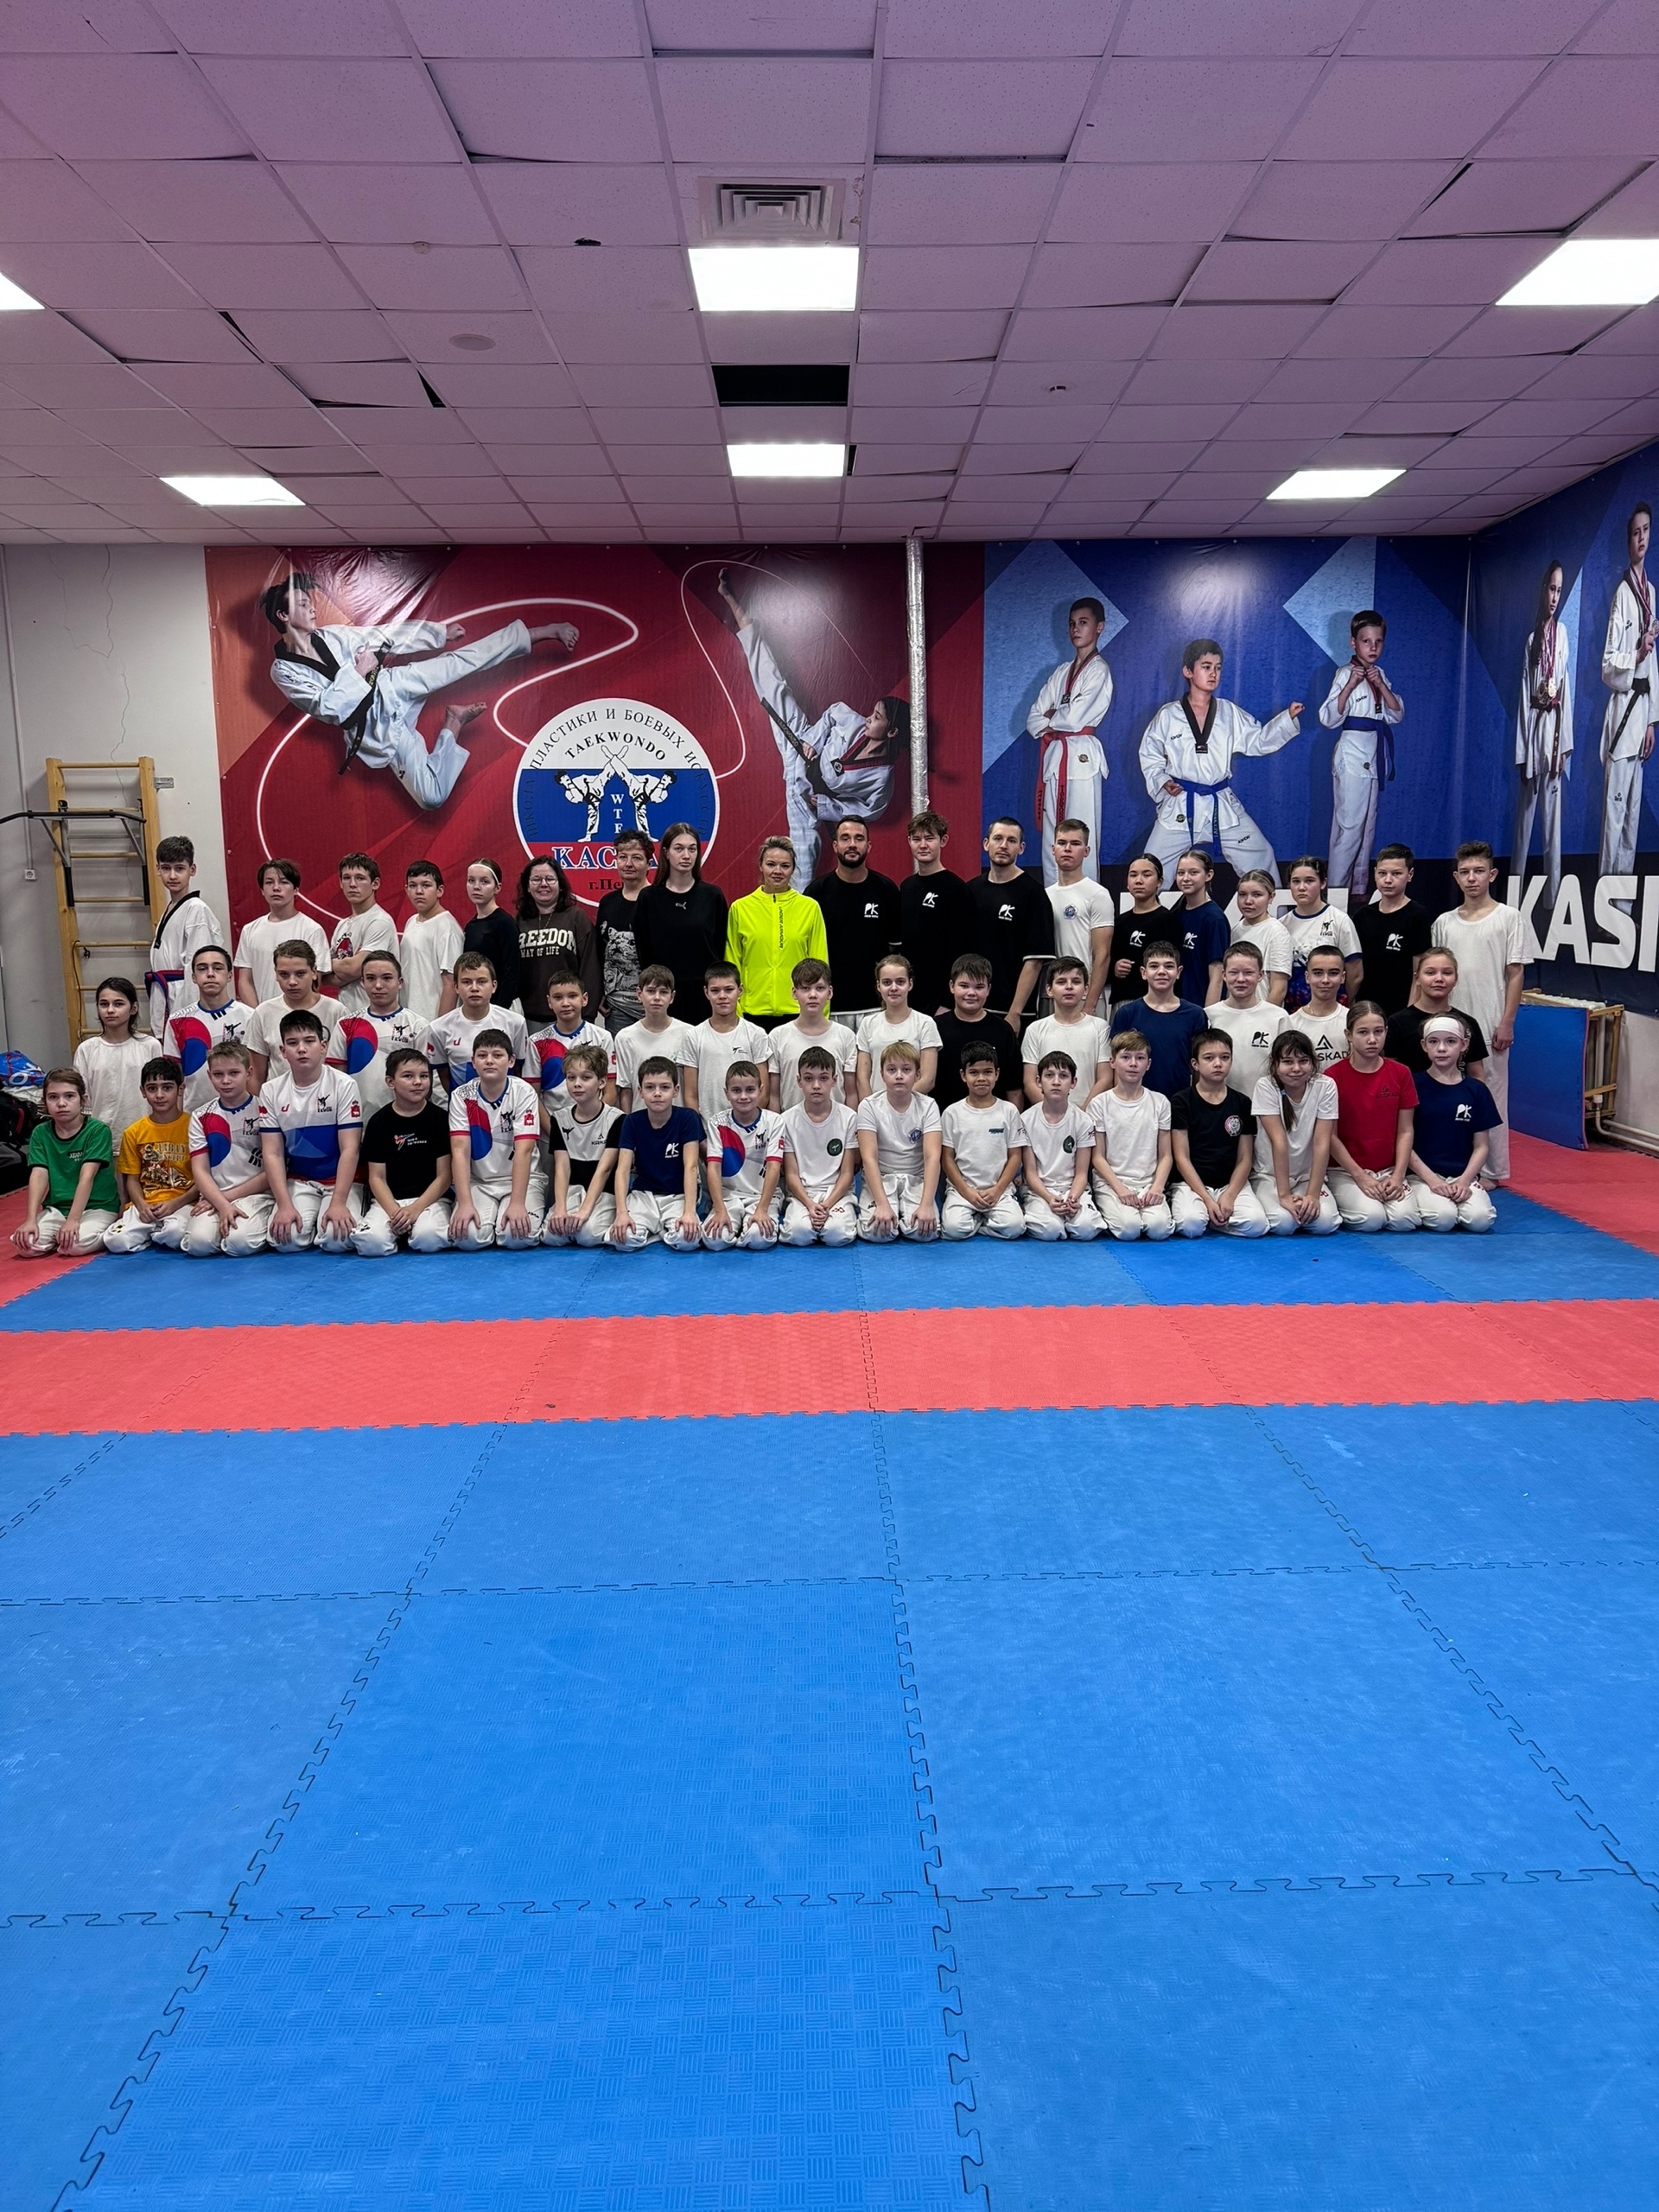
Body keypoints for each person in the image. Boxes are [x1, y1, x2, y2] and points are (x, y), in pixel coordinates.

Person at [262, 569, 578, 810]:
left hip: (391, 686)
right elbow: (328, 709)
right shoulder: (284, 671)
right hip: (377, 728)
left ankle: (543, 632)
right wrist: (359, 670)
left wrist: (438, 634)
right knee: (431, 797)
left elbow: (384, 635)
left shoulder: (332, 636)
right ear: (283, 616)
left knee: (459, 663)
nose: (313, 609)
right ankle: (454, 723)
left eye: (311, 602)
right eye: (303, 605)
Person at [718, 570, 905, 887]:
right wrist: (813, 743)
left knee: (803, 870)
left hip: (808, 798)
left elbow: (870, 811)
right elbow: (834, 711)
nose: (868, 719)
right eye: (871, 713)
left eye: (876, 718)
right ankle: (738, 610)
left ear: (892, 733)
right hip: (799, 744)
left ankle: (795, 916)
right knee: (772, 685)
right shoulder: (853, 721)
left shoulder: (881, 778)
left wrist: (827, 806)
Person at [1139, 639, 1302, 877]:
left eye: (1218, 667)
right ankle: (1148, 903)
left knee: (1261, 855)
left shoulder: (1229, 712)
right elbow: (1149, 753)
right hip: (1181, 804)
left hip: (1221, 804)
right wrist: (1163, 781)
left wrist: (1286, 719)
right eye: (1206, 667)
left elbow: (1258, 740)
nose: (1213, 673)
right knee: (1150, 869)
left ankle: (1270, 903)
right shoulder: (1169, 715)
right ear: (1188, 671)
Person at [1430, 840, 1535, 1185]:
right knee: (1447, 1095)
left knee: (1490, 1097)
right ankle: (1452, 1163)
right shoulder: (1444, 922)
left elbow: (1515, 973)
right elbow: (1435, 973)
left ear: (1492, 874)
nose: (1472, 878)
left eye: (1478, 871)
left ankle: (1493, 1170)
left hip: (1489, 1022)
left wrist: (1507, 1022)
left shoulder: (1508, 918)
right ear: (1456, 877)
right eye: (1465, 872)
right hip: (1449, 1023)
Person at [258, 1008, 364, 1253]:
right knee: (286, 1241)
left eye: (309, 1041)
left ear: (323, 1046)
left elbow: (350, 1149)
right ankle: (311, 1221)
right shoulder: (270, 1090)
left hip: (340, 1180)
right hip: (300, 1180)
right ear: (283, 1051)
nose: (302, 1049)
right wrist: (284, 1205)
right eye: (293, 1043)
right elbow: (272, 1153)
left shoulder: (344, 1085)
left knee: (337, 1240)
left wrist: (338, 1203)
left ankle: (328, 1217)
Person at [1027, 596, 1115, 887]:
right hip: (1055, 759)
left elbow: (1075, 718)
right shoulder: (1061, 672)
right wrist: (1057, 718)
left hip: (1082, 759)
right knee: (1053, 839)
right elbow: (1033, 719)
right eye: (1072, 624)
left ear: (1099, 627)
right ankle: (1052, 899)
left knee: (1081, 836)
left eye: (1083, 622)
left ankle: (1087, 903)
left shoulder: (1099, 670)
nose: (1076, 629)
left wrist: (1053, 716)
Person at [1319, 609, 1404, 899]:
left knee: (1367, 827)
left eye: (1378, 642)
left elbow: (1396, 715)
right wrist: (1350, 686)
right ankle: (1336, 893)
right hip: (1352, 756)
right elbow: (1328, 717)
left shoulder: (1380, 675)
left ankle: (1357, 890)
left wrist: (1380, 685)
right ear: (1353, 643)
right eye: (1366, 641)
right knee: (1349, 826)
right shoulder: (1345, 673)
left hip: (1374, 754)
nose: (1373, 647)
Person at [1598, 502, 1656, 880]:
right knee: (1615, 815)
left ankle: (1623, 903)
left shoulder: (1650, 591)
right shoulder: (1623, 593)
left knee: (1633, 816)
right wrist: (1637, 653)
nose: (1641, 538)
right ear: (1628, 540)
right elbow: (1607, 665)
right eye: (1636, 532)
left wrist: (1653, 721)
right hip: (1623, 712)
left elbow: (1654, 666)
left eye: (1646, 530)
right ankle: (1605, 896)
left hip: (1642, 714)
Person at [445, 1028, 544, 1249]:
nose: (489, 1061)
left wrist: (517, 1203)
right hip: (480, 1182)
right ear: (473, 1062)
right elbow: (460, 1151)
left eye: (497, 1055)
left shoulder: (524, 1092)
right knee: (467, 1239)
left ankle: (500, 1222)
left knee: (516, 1237)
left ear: (511, 1061)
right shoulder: (461, 1096)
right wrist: (464, 1203)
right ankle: (489, 1223)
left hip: (523, 1180)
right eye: (482, 1055)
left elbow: (524, 1150)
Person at [353, 1046, 454, 1255]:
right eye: (408, 1076)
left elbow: (444, 1176)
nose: (418, 1082)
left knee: (428, 1238)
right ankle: (400, 1231)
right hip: (389, 1200)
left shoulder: (440, 1119)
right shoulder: (378, 1122)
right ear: (391, 1082)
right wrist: (395, 1213)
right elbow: (377, 1177)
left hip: (430, 1200)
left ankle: (413, 1230)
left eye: (424, 1076)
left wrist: (415, 1209)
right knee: (371, 1243)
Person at [1327, 1002, 1419, 1231]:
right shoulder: (1332, 1077)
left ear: (1386, 1032)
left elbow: (1405, 1130)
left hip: (1388, 1168)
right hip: (1345, 1171)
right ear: (1348, 1035)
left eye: (1378, 1032)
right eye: (1363, 1032)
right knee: (1371, 1219)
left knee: (1405, 1220)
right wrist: (1360, 1177)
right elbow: (1329, 1136)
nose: (1372, 1040)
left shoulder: (1401, 1073)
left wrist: (1398, 1175)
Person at [1169, 1030, 1268, 1238]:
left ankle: (1214, 1219)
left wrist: (1230, 1194)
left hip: (1229, 1183)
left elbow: (1245, 1158)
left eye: (1224, 1057)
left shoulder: (1242, 1103)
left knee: (1257, 1225)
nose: (1218, 1064)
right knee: (1191, 1224)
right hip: (1192, 1184)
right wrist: (1207, 1199)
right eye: (1209, 1058)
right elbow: (1181, 1158)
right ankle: (1209, 1214)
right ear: (1195, 1064)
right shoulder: (1181, 1101)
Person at [1513, 562, 1573, 902]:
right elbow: (1525, 697)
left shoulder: (1562, 634)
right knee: (1524, 822)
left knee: (1553, 825)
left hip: (1554, 733)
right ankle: (1514, 892)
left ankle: (1554, 898)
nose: (1555, 597)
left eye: (1560, 590)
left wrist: (1564, 747)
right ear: (1542, 591)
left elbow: (1566, 692)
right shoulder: (1532, 640)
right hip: (1534, 727)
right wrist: (1523, 753)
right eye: (1551, 589)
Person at [11, 1067, 118, 1257]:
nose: (61, 1103)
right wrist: (31, 1219)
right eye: (53, 1097)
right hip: (59, 1209)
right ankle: (58, 1235)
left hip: (98, 1207)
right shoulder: (41, 1133)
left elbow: (87, 1176)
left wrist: (73, 1220)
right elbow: (39, 1174)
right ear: (45, 1102)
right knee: (26, 1245)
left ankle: (110, 1231)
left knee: (73, 1245)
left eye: (69, 1096)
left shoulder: (97, 1131)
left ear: (83, 1100)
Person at [1408, 1016, 1500, 1233]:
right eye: (1434, 1042)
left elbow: (1481, 1145)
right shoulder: (1412, 1085)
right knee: (1443, 1219)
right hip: (1421, 1176)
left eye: (1450, 1041)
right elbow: (1402, 1140)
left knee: (1480, 1221)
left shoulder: (1476, 1090)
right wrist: (1432, 1180)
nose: (1442, 1049)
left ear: (1464, 1045)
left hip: (1462, 1174)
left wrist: (1465, 1181)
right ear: (1424, 1045)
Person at [181, 1039, 272, 1257]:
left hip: (256, 1195)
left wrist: (227, 1199)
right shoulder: (201, 1116)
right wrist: (221, 1204)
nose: (226, 1081)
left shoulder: (265, 1110)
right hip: (215, 1196)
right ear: (209, 1076)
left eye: (234, 1073)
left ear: (249, 1073)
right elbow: (200, 1170)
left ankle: (260, 1224)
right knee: (198, 1244)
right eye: (218, 1074)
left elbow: (274, 1168)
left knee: (239, 1243)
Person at [725, 837, 830, 1027]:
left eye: (785, 866)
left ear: (793, 868)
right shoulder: (740, 909)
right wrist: (736, 1011)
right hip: (751, 1013)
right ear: (761, 866)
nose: (778, 871)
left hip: (799, 1012)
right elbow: (732, 964)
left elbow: (820, 964)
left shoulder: (810, 908)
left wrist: (820, 1015)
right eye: (771, 864)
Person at [808, 816, 900, 1026]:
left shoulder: (886, 890)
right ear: (835, 845)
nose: (852, 844)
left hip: (876, 1007)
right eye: (845, 838)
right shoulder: (816, 893)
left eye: (859, 839)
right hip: (830, 1007)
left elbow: (895, 951)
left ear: (868, 846)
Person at [969, 817, 1056, 1029]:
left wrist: (1015, 1012)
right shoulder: (971, 890)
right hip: (971, 1007)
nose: (1003, 845)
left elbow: (1034, 961)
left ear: (1021, 848)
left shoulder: (1033, 894)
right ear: (986, 844)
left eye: (1011, 840)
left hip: (1013, 1012)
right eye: (998, 838)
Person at [634, 823, 729, 1019]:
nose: (686, 855)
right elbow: (644, 952)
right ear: (666, 853)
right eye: (679, 849)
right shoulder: (649, 898)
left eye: (692, 849)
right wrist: (656, 989)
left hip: (704, 993)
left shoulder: (712, 896)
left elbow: (719, 947)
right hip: (664, 992)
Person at [1250, 1029, 1339, 1236]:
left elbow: (1322, 1142)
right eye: (1288, 1062)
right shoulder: (1266, 1086)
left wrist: (1313, 1195)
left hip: (1307, 1176)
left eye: (1303, 1061)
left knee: (1325, 1223)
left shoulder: (1325, 1086)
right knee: (1285, 1224)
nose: (1296, 1068)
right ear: (1275, 1064)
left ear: (1313, 1062)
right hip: (1270, 1176)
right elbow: (1279, 1141)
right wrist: (1284, 1196)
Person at [611, 1057, 704, 1252]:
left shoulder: (688, 1118)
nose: (657, 1093)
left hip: (678, 1194)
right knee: (623, 1240)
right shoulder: (631, 1122)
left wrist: (689, 1212)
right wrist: (621, 1213)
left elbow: (691, 1167)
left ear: (676, 1091)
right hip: (643, 1195)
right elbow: (622, 1170)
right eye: (650, 1087)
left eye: (664, 1087)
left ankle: (658, 1230)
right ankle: (660, 1231)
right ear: (640, 1092)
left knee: (688, 1240)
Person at [1088, 1030, 1174, 1241]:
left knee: (1159, 1229)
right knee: (1129, 1229)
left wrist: (1157, 1187)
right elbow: (1097, 1157)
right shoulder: (1100, 1104)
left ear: (1148, 1064)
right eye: (1126, 1057)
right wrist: (1120, 1190)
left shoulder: (1160, 1102)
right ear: (1112, 1062)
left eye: (1140, 1058)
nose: (1133, 1064)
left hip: (1148, 1182)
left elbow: (1166, 1155)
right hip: (1112, 1183)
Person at [103, 1055, 194, 1252]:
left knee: (176, 1233)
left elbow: (203, 1179)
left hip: (182, 1204)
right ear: (143, 1092)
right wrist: (141, 1205)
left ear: (180, 1089)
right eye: (152, 1088)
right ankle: (152, 1232)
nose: (159, 1095)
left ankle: (155, 1232)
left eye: (167, 1087)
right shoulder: (133, 1132)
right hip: (146, 1204)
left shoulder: (194, 1127)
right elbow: (132, 1180)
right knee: (114, 1241)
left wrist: (176, 1203)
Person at [855, 1039, 942, 1242]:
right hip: (882, 1177)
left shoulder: (928, 1106)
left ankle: (909, 1210)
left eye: (906, 1070)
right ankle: (891, 1208)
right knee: (878, 1232)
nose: (899, 1076)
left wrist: (926, 1204)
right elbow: (869, 1158)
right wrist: (882, 1204)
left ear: (917, 1075)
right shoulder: (869, 1106)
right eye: (892, 1070)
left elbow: (932, 1157)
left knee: (924, 1232)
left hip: (916, 1178)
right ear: (882, 1075)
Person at [939, 1043, 1027, 1240]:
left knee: (1015, 1227)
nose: (981, 1078)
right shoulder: (952, 1113)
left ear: (997, 1074)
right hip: (962, 1190)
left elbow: (1015, 1156)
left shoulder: (1009, 1111)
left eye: (987, 1072)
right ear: (963, 1075)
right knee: (953, 1229)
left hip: (998, 1189)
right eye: (974, 1072)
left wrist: (998, 1190)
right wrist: (966, 1191)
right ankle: (979, 1218)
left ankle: (981, 1224)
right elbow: (947, 1159)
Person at [778, 1046, 860, 1247]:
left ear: (835, 1080)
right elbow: (791, 1174)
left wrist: (827, 1204)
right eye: (809, 1078)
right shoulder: (786, 1120)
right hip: (802, 1193)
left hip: (837, 1193)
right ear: (799, 1081)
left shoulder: (848, 1118)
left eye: (823, 1078)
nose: (816, 1085)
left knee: (837, 1234)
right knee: (798, 1234)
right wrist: (809, 1204)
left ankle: (832, 1215)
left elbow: (847, 1173)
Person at [542, 1044, 622, 1249]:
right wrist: (560, 1208)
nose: (577, 1084)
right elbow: (562, 1167)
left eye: (586, 1078)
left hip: (604, 1192)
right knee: (552, 1236)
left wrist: (585, 1211)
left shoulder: (616, 1119)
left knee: (587, 1235)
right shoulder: (559, 1119)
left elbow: (604, 1170)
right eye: (571, 1078)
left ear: (602, 1082)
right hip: (573, 1190)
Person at [334, 950, 429, 1117]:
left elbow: (426, 1080)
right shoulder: (345, 1025)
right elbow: (338, 1080)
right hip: (357, 1119)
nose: (378, 985)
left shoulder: (418, 1026)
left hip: (406, 1119)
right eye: (371, 978)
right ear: (362, 982)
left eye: (387, 978)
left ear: (400, 982)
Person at [1019, 1051, 1103, 1241]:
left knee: (1086, 1230)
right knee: (1050, 1230)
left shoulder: (1083, 1121)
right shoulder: (1026, 1120)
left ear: (1073, 1082)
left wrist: (1073, 1198)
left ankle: (1071, 1213)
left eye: (1063, 1076)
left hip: (1073, 1189)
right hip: (1040, 1191)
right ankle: (1047, 1215)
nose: (1056, 1082)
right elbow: (1030, 1173)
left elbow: (1081, 1173)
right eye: (1049, 1076)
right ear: (1039, 1081)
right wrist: (1049, 1198)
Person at [899, 810, 975, 1017]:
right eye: (917, 839)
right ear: (909, 842)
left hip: (942, 1003)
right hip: (908, 998)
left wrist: (947, 1001)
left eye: (929, 838)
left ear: (943, 841)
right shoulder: (907, 887)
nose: (923, 845)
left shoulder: (957, 890)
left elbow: (963, 951)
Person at [702, 1061, 785, 1251]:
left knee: (759, 1238)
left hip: (762, 1196)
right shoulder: (717, 1123)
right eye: (736, 1091)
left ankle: (745, 1230)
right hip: (729, 1195)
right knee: (714, 1240)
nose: (744, 1096)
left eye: (750, 1090)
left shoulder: (774, 1121)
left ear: (761, 1090)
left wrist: (762, 1209)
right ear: (726, 1093)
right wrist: (720, 1209)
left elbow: (774, 1166)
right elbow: (713, 1167)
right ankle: (736, 1229)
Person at [145, 834, 224, 1035]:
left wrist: (193, 1014)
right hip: (166, 993)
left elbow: (199, 965)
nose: (172, 876)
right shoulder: (171, 908)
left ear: (192, 870)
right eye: (166, 868)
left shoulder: (196, 910)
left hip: (184, 998)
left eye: (179, 869)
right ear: (158, 869)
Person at [1107, 942, 1207, 1097]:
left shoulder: (1195, 1014)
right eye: (1154, 966)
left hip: (1179, 1101)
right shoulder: (1127, 1013)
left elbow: (1199, 1066)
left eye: (1169, 966)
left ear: (1178, 972)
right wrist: (1121, 1102)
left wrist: (1195, 1102)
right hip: (1135, 1101)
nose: (1161, 972)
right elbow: (1117, 1066)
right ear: (1143, 972)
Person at [164, 946, 258, 1110]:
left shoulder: (251, 1017)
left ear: (230, 975)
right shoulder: (177, 1021)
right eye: (202, 969)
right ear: (193, 977)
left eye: (217, 968)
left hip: (244, 1112)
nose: (210, 974)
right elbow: (174, 1078)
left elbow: (257, 1072)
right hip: (193, 1113)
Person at [246, 941, 345, 1090]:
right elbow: (256, 1077)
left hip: (327, 1097)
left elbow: (343, 1068)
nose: (292, 982)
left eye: (300, 974)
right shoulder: (263, 1013)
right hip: (279, 1099)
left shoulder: (337, 1011)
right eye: (284, 975)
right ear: (276, 974)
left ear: (314, 972)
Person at [1350, 843, 1433, 1018]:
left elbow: (1418, 973)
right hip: (1366, 1009)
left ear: (1410, 874)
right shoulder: (1363, 916)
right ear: (1375, 874)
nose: (1388, 880)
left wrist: (1410, 1014)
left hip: (1400, 1010)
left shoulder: (1418, 915)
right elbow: (1354, 968)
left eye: (1396, 874)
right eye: (1382, 873)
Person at [233, 857, 329, 1005]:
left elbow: (314, 981)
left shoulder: (311, 929)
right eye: (269, 882)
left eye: (284, 882)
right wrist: (258, 1014)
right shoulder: (250, 930)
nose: (276, 888)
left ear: (296, 890)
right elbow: (245, 980)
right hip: (261, 1013)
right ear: (262, 890)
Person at [426, 952, 528, 1090]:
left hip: (507, 1100)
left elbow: (519, 1070)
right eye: (466, 982)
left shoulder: (515, 1023)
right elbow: (443, 1074)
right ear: (456, 987)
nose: (474, 988)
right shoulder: (438, 1028)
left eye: (481, 982)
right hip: (462, 1101)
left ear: (494, 986)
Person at [935, 953, 1024, 1109]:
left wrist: (1015, 1120)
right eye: (964, 986)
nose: (971, 993)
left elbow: (1014, 1088)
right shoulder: (934, 1028)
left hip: (995, 1119)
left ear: (989, 989)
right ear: (952, 986)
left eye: (979, 987)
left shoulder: (1003, 1031)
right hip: (944, 1118)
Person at [516, 854, 600, 1020]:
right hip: (527, 1016)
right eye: (536, 879)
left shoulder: (576, 918)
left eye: (550, 879)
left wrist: (587, 1015)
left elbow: (591, 969)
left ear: (560, 885)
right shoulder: (519, 921)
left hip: (569, 1015)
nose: (543, 884)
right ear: (527, 887)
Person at [1385, 947, 1489, 1080]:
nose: (1439, 979)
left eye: (1447, 973)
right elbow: (1390, 1075)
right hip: (1411, 1092)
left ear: (1456, 979)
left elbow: (1477, 1075)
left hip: (1456, 1093)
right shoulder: (1397, 1022)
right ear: (1417, 978)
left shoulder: (1468, 1023)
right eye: (1430, 973)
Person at [768, 958, 858, 1110]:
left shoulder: (846, 1036)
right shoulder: (777, 1036)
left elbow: (851, 1093)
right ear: (794, 993)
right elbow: (774, 1095)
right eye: (805, 988)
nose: (813, 995)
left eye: (819, 988)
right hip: (789, 1121)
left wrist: (851, 1123)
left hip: (837, 1121)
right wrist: (776, 1124)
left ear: (830, 992)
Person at [1046, 817, 1115, 1010]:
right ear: (1053, 849)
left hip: (1085, 996)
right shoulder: (1044, 896)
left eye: (1075, 844)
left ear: (1086, 851)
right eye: (1062, 843)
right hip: (1052, 995)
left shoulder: (1097, 894)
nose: (1067, 849)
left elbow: (1103, 955)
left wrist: (1090, 1005)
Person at [687, 962, 773, 1116]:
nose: (722, 996)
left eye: (729, 990)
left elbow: (763, 1093)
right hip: (708, 1127)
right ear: (706, 992)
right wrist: (699, 1128)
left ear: (740, 990)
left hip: (747, 1126)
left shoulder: (756, 1034)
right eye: (715, 990)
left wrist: (743, 1124)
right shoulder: (694, 1036)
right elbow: (690, 1096)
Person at [1021, 956, 1109, 1104]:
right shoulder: (1035, 1029)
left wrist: (1083, 1114)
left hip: (1089, 1113)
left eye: (1076, 982)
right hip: (1047, 1114)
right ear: (1049, 990)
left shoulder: (1100, 1027)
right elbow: (1030, 1082)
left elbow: (1105, 1079)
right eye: (1061, 982)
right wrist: (1053, 1112)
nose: (1069, 987)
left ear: (1086, 989)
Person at [74, 976, 150, 1141]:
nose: (110, 1010)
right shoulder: (86, 1050)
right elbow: (82, 1102)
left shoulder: (150, 1046)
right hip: (101, 1140)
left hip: (144, 1138)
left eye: (118, 1004)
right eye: (104, 1004)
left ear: (133, 1008)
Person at [526, 968, 615, 1110]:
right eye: (558, 997)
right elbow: (532, 1096)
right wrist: (552, 1125)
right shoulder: (536, 1042)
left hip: (594, 1119)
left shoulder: (602, 1037)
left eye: (572, 996)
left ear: (584, 999)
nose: (565, 1003)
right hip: (552, 1119)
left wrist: (596, 1120)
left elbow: (610, 1091)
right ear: (549, 1002)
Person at [1281, 855, 1363, 1008]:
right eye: (1296, 881)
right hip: (1292, 1011)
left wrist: (1344, 1005)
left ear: (1323, 883)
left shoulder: (1339, 921)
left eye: (1309, 881)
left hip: (1332, 1010)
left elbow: (1355, 974)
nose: (1302, 887)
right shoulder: (1281, 925)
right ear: (1289, 885)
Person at [1206, 943, 1286, 1097]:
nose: (1241, 979)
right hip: (1218, 1105)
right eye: (1234, 972)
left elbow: (1286, 1067)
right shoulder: (1209, 1016)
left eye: (1248, 973)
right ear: (1224, 975)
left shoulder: (1278, 1018)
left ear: (1260, 975)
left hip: (1265, 1105)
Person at [855, 954, 941, 1098]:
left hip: (914, 1105)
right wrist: (872, 1107)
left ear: (910, 984)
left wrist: (897, 1102)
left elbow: (928, 1079)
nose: (894, 988)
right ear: (878, 986)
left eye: (900, 982)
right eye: (887, 982)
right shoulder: (868, 1024)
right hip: (875, 1108)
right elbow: (862, 1079)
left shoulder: (925, 1023)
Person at [613, 964, 696, 1110]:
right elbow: (626, 1088)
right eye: (651, 991)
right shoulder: (625, 1038)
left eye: (663, 992)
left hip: (678, 1119)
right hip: (641, 1118)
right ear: (639, 994)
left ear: (672, 997)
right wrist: (627, 1120)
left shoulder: (688, 1033)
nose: (657, 998)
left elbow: (692, 1090)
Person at [327, 852, 398, 1015]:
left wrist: (338, 965)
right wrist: (346, 967)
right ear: (340, 883)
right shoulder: (342, 925)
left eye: (360, 878)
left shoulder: (379, 921)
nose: (352, 884)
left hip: (376, 1015)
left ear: (375, 883)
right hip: (347, 1014)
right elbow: (323, 976)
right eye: (347, 878)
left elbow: (354, 968)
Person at [596, 827, 652, 1032]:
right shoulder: (607, 903)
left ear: (649, 863)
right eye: (622, 857)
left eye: (636, 858)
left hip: (656, 1005)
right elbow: (600, 952)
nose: (628, 864)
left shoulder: (660, 900)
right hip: (617, 1009)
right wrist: (598, 992)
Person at [398, 858, 464, 1022]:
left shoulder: (447, 928)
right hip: (409, 1019)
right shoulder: (411, 922)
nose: (419, 891)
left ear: (440, 890)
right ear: (406, 889)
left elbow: (451, 984)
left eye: (426, 885)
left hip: (432, 1021)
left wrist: (439, 1027)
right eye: (413, 885)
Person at [1107, 854, 1171, 1006]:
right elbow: (1107, 959)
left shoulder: (1168, 920)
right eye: (1133, 875)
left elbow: (1171, 965)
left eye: (1146, 875)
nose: (1139, 881)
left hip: (1155, 1001)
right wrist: (1114, 968)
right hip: (1122, 1000)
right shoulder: (1120, 922)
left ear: (1159, 882)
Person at [1171, 847, 1229, 1007]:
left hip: (1199, 1006)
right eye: (1181, 873)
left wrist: (1207, 1014)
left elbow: (1217, 975)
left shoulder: (1214, 919)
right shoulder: (1176, 913)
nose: (1186, 878)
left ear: (1208, 875)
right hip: (1176, 1007)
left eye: (1193, 873)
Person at [462, 859, 521, 1012]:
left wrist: (499, 1011)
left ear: (497, 888)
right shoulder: (471, 926)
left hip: (503, 1006)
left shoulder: (504, 923)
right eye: (471, 880)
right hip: (478, 1006)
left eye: (484, 882)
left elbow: (511, 972)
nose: (476, 887)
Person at [1229, 869, 1291, 1005]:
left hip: (1262, 1010)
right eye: (1242, 895)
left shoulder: (1277, 932)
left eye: (1257, 895)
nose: (1248, 901)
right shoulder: (1235, 930)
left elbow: (1279, 989)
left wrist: (1265, 1015)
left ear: (1271, 897)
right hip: (1235, 1010)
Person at [1293, 946, 1357, 1075]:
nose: (1325, 980)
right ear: (1307, 977)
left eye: (1333, 973)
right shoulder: (1291, 1023)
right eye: (1318, 973)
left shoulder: (1353, 1020)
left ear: (1343, 977)